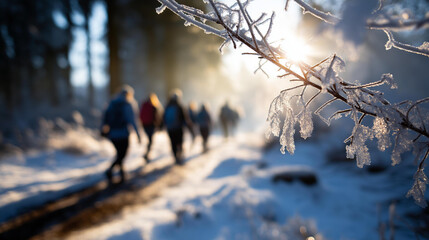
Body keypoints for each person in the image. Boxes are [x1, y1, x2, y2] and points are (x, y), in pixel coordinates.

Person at [101, 85, 141, 184]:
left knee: (120, 153)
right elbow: (132, 120)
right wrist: (138, 134)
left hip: (113, 134)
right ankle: (111, 170)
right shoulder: (127, 104)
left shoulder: (112, 103)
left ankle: (120, 171)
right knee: (122, 154)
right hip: (123, 133)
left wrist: (102, 129)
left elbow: (105, 118)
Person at [163, 89, 193, 165]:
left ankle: (175, 156)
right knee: (179, 142)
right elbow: (185, 118)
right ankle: (179, 154)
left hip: (170, 128)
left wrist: (162, 125)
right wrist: (189, 126)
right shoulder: (180, 106)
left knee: (173, 142)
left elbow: (163, 117)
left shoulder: (167, 106)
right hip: (178, 128)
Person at [139, 93, 163, 163]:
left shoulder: (144, 105)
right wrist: (159, 125)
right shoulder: (153, 106)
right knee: (150, 140)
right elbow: (157, 117)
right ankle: (146, 154)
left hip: (144, 125)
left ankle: (147, 154)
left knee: (149, 140)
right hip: (151, 125)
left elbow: (140, 115)